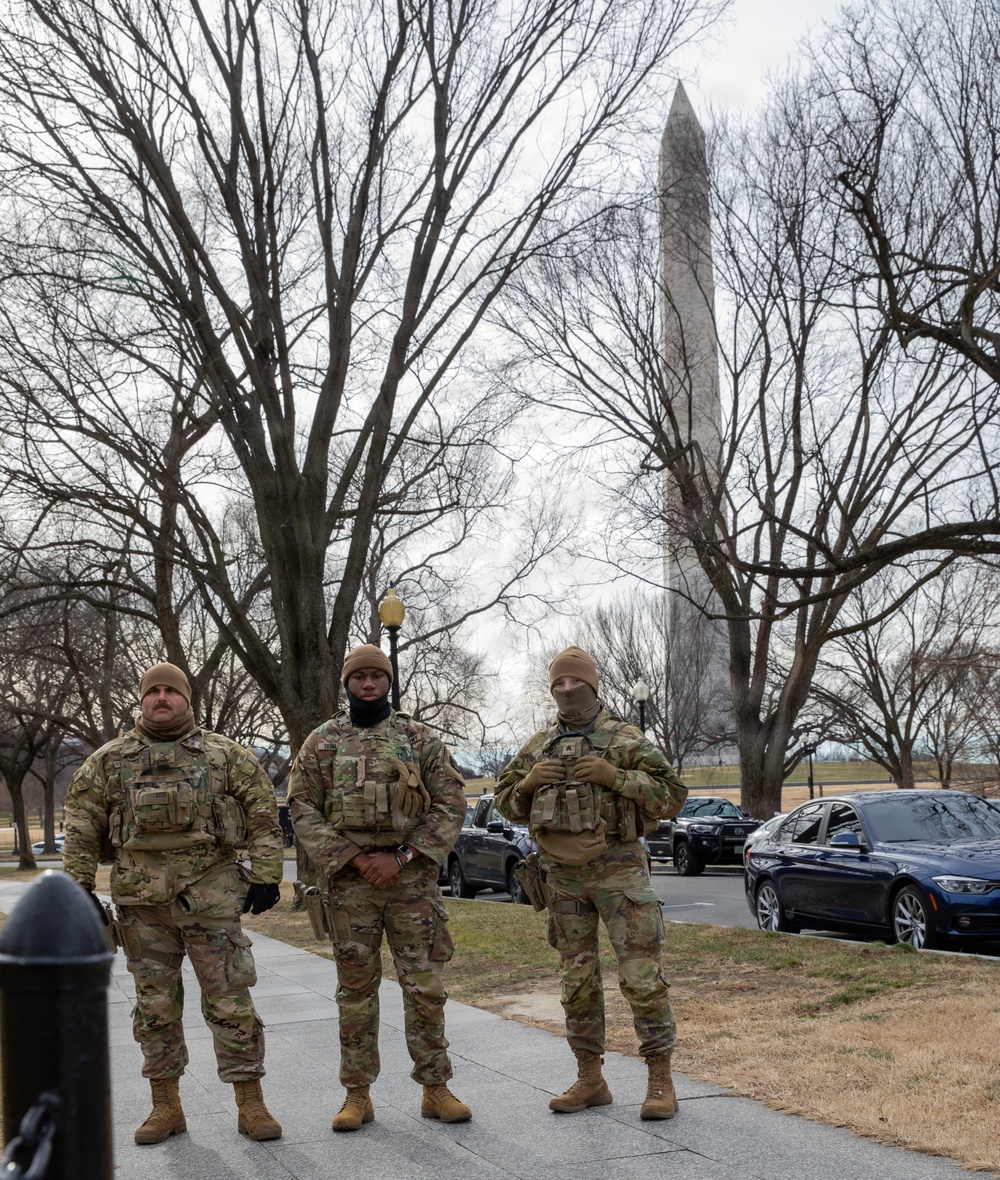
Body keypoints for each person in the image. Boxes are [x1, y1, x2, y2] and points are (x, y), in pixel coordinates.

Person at [62, 661, 284, 1145]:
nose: (161, 698)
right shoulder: (108, 761)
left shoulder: (226, 756)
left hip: (211, 902)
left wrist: (267, 875)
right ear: (142, 700)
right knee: (155, 1009)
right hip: (142, 911)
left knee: (230, 1003)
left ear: (187, 699)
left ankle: (251, 1103)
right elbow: (80, 825)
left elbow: (264, 815)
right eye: (153, 691)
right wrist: (77, 887)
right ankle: (166, 1106)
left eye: (171, 691)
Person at [494, 646, 688, 1120]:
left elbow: (673, 796)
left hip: (620, 873)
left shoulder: (624, 737)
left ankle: (659, 1080)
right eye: (558, 684)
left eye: (574, 682)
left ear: (592, 685)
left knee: (641, 978)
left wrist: (616, 777)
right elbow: (503, 801)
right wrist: (527, 783)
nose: (566, 690)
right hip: (562, 879)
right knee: (576, 982)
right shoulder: (539, 745)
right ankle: (590, 1078)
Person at [287, 643, 470, 1132]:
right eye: (359, 677)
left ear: (389, 682)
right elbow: (302, 806)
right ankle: (357, 1095)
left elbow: (451, 803)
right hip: (352, 888)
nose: (368, 684)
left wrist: (402, 857)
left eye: (377, 676)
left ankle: (436, 1088)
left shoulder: (418, 738)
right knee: (355, 993)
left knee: (425, 988)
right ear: (346, 683)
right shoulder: (322, 741)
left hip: (411, 885)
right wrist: (354, 858)